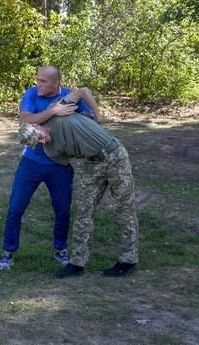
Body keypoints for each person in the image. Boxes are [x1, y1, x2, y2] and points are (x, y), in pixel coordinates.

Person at [18, 88, 138, 278]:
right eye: (37, 142)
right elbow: (71, 155)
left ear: (39, 126)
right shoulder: (50, 150)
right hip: (91, 164)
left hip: (115, 156)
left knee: (123, 208)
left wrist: (96, 116)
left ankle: (128, 260)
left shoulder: (56, 110)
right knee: (83, 211)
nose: (42, 141)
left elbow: (83, 91)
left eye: (39, 136)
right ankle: (77, 263)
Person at [0, 65, 94, 271]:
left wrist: (80, 118)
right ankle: (8, 252)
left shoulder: (69, 95)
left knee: (62, 211)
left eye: (43, 81)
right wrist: (54, 111)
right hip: (31, 162)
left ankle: (60, 249)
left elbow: (90, 119)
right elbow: (24, 120)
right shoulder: (32, 94)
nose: (38, 84)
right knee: (15, 208)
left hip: (59, 164)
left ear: (56, 83)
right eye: (38, 80)